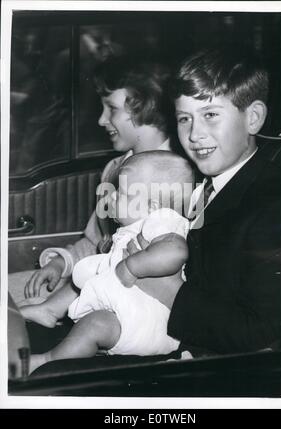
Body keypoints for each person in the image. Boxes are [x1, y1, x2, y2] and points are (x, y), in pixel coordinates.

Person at [9, 57, 175, 310]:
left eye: (111, 108)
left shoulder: (177, 178)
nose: (101, 120)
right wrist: (61, 263)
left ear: (146, 107)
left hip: (129, 304)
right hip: (90, 282)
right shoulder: (113, 171)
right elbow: (97, 242)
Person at [161, 46, 281, 355]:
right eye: (184, 119)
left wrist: (168, 291)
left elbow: (264, 334)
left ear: (253, 118)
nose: (194, 134)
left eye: (211, 115)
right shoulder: (205, 183)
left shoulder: (275, 207)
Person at [28, 151, 194, 372]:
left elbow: (176, 252)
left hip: (149, 322)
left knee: (94, 326)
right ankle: (50, 311)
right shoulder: (137, 226)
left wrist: (132, 266)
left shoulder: (162, 221)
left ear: (153, 206)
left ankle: (48, 361)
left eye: (123, 193)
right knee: (90, 279)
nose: (112, 198)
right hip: (130, 310)